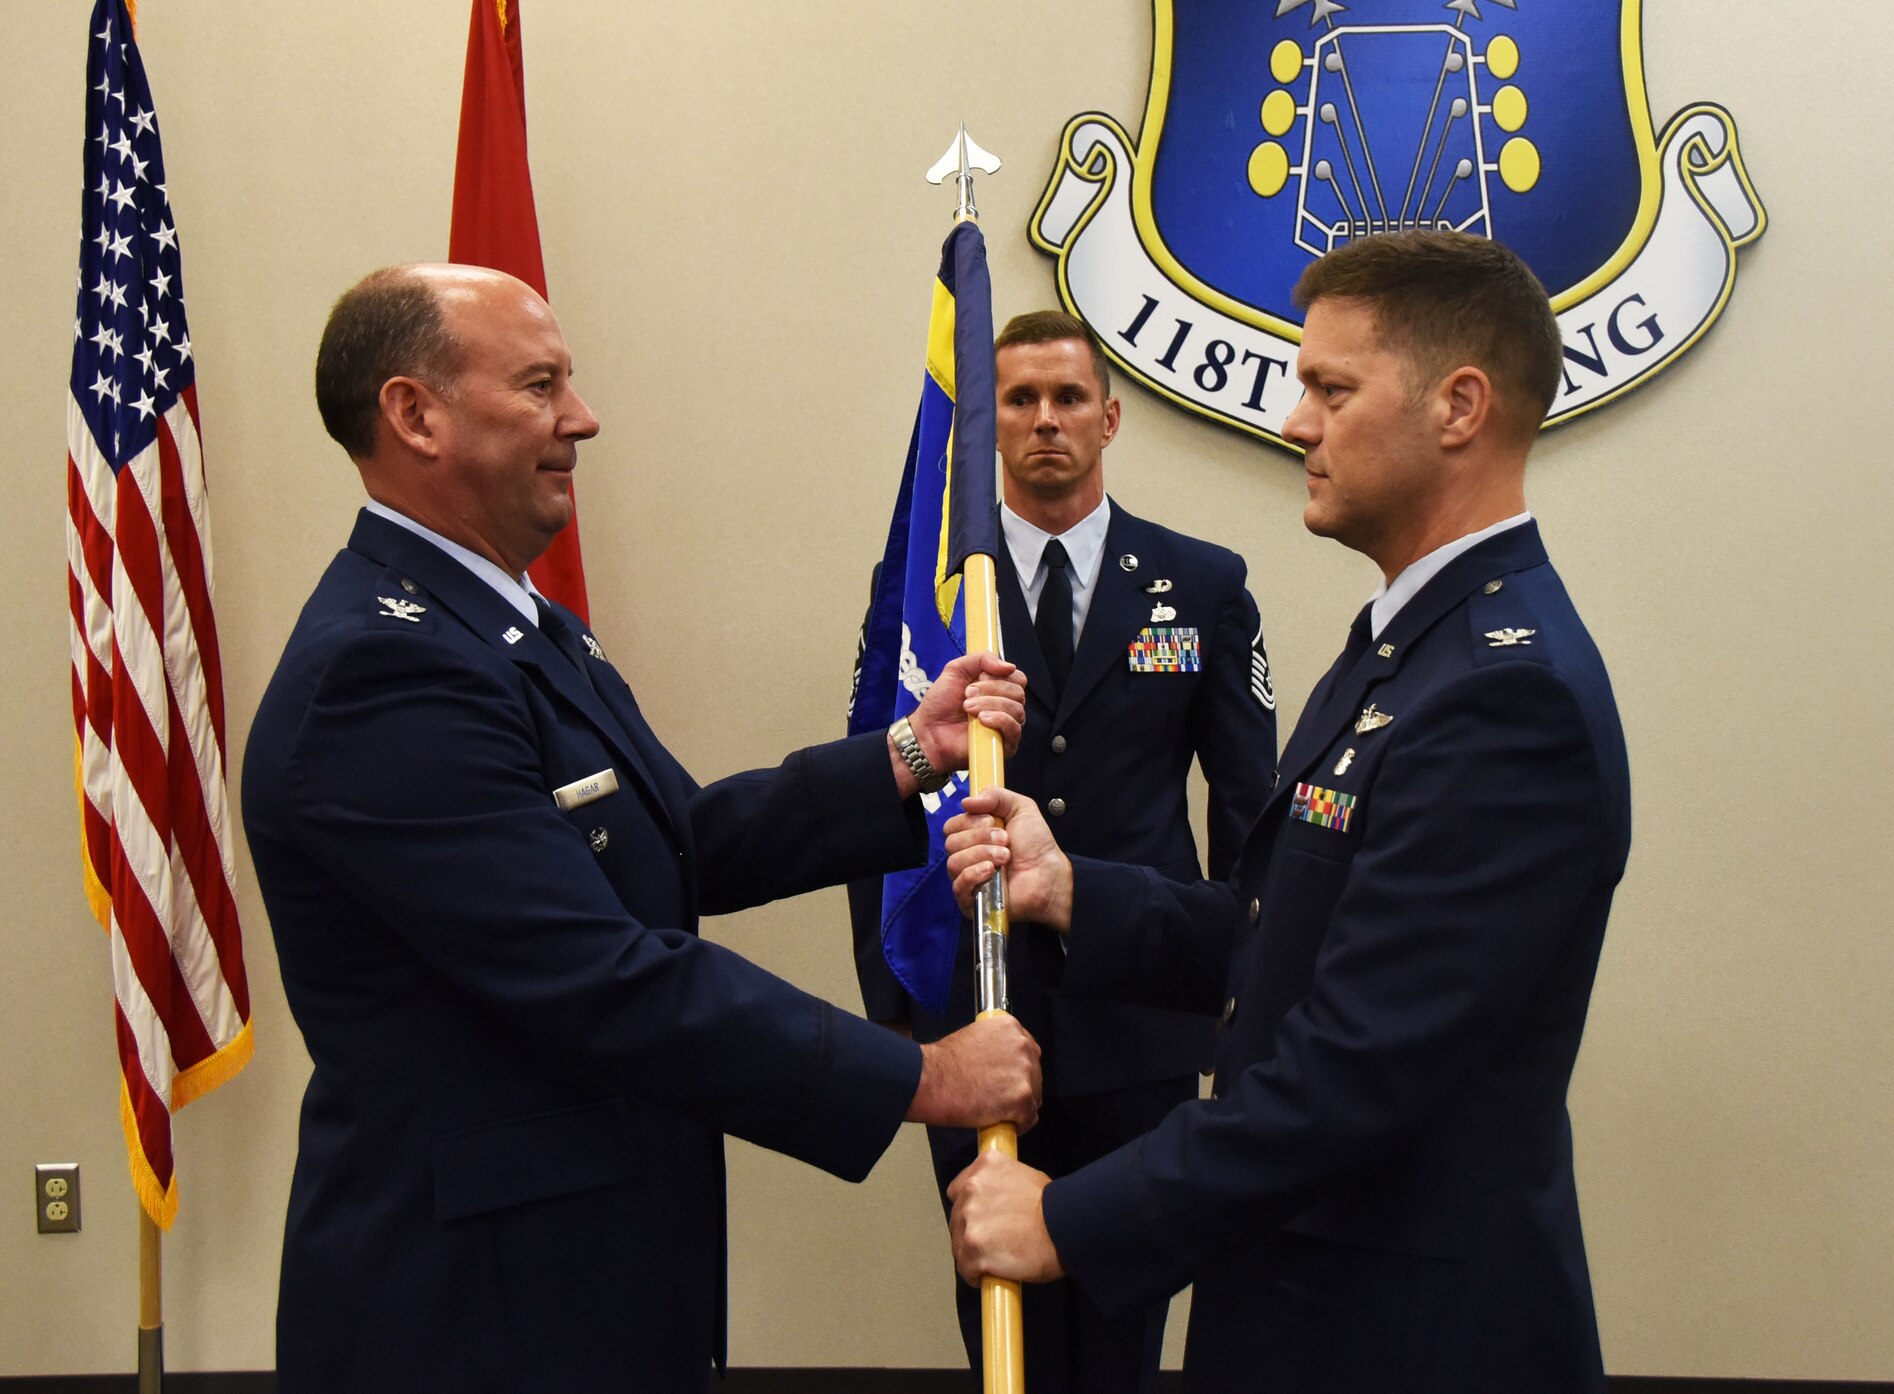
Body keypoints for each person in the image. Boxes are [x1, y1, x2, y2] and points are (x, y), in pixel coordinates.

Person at [242, 264, 1041, 1394]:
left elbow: (674, 841)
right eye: (539, 385)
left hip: (582, 1270)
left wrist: (909, 754)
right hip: (477, 1311)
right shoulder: (384, 669)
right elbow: (600, 973)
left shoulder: (514, 623)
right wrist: (918, 1075)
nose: (583, 416)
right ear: (414, 413)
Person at [942, 231, 1631, 1392]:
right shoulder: (1405, 648)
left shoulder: (1503, 693)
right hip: (1308, 1289)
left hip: (1400, 1325)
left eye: (1330, 388)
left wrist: (1074, 1215)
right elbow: (1289, 936)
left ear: (1458, 406)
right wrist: (1076, 891)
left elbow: (1354, 1064)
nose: (1294, 422)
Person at [848, 311, 1277, 1391]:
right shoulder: (939, 590)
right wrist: (889, 996)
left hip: (1138, 1011)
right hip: (977, 1009)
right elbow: (877, 788)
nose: (1045, 419)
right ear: (987, 426)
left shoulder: (1204, 582)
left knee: (1123, 1306)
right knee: (995, 1307)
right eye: (1019, 399)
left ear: (1111, 416)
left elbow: (1246, 811)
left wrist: (1245, 994)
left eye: (1068, 398)